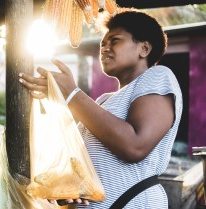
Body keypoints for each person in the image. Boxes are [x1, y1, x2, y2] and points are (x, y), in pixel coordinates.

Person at [19, 8, 183, 208]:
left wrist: (72, 95)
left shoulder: (158, 76)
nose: (105, 48)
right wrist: (70, 188)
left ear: (144, 49)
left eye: (115, 41)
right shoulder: (103, 101)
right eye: (103, 43)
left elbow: (135, 146)